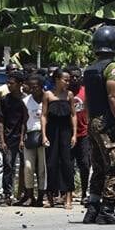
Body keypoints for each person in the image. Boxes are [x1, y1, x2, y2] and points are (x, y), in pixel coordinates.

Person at [82, 26, 115, 225]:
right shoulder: (112, 68)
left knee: (99, 166)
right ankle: (108, 209)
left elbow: (87, 101)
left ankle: (92, 209)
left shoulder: (90, 69)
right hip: (106, 123)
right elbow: (113, 96)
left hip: (94, 122)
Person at [42, 67, 78, 209]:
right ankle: (50, 196)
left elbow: (73, 115)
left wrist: (74, 134)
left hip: (66, 131)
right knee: (51, 163)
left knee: (67, 164)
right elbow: (44, 115)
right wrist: (44, 135)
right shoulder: (48, 95)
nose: (68, 82)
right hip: (51, 131)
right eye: (65, 80)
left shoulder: (69, 95)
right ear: (57, 79)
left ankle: (68, 195)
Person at [0, 70, 27, 206]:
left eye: (12, 83)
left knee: (26, 166)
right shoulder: (4, 100)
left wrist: (22, 139)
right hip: (8, 137)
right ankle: (7, 194)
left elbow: (25, 120)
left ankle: (25, 194)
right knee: (8, 165)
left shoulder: (25, 100)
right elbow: (0, 121)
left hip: (22, 137)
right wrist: (2, 140)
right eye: (8, 82)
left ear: (19, 84)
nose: (9, 85)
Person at [22, 74, 47, 206]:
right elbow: (23, 121)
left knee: (43, 168)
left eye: (35, 87)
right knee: (28, 166)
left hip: (44, 136)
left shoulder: (48, 99)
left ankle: (41, 196)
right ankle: (29, 195)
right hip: (30, 135)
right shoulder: (26, 101)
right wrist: (22, 138)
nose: (32, 89)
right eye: (31, 87)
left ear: (42, 86)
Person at [67, 66, 91, 204]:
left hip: (84, 133)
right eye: (72, 76)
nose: (74, 79)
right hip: (68, 134)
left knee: (84, 164)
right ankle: (68, 193)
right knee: (68, 165)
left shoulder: (86, 92)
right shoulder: (65, 93)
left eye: (77, 76)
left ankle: (84, 193)